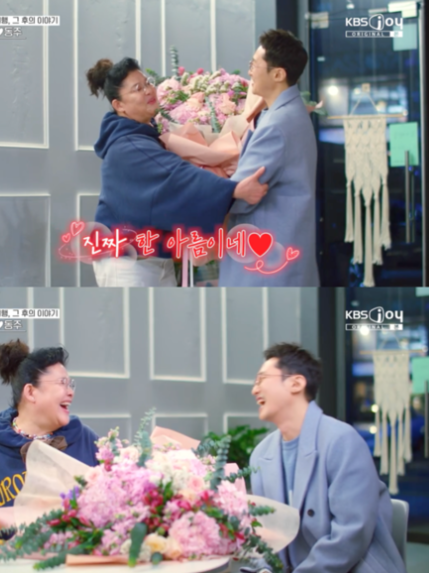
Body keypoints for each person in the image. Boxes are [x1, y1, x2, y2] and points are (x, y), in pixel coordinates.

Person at [86, 57, 269, 287]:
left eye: (147, 83)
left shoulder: (139, 136)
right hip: (126, 264)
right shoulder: (128, 145)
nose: (148, 90)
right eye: (137, 88)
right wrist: (234, 189)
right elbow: (177, 176)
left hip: (150, 259)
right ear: (119, 105)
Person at [0, 340, 99, 568]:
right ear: (31, 392)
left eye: (71, 384)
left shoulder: (87, 440)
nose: (71, 392)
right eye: (62, 383)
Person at [249, 343, 406, 573]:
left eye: (262, 379)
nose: (254, 390)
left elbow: (350, 535)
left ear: (296, 383)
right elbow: (265, 535)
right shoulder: (261, 455)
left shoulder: (342, 441)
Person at [219, 30, 319, 287]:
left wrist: (205, 183)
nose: (250, 71)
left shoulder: (277, 124)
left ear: (278, 74)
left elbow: (241, 194)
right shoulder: (293, 113)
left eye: (254, 65)